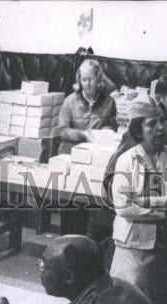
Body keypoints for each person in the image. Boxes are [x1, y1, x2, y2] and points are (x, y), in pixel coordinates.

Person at [109, 96, 167, 304]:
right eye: (152, 124)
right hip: (131, 245)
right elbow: (124, 207)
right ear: (138, 129)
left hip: (162, 244)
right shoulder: (126, 160)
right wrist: (165, 209)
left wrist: (146, 201)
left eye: (163, 121)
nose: (161, 128)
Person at [57, 58, 117, 235]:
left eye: (91, 79)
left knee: (88, 203)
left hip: (93, 159)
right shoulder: (70, 101)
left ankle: (83, 242)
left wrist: (104, 132)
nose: (87, 84)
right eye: (83, 79)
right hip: (71, 157)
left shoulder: (109, 102)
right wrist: (83, 134)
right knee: (69, 205)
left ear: (99, 80)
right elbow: (62, 130)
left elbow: (112, 126)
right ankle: (66, 241)